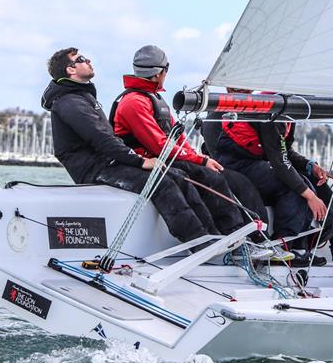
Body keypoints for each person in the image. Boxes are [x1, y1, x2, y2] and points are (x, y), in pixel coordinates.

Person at [110, 46, 283, 260]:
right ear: (159, 73)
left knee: (217, 177)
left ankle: (240, 240)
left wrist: (201, 160)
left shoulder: (153, 99)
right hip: (155, 162)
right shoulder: (133, 103)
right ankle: (215, 243)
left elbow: (178, 137)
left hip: (167, 160)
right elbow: (160, 145)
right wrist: (199, 159)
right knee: (203, 180)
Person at [41, 47, 218, 246]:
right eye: (81, 59)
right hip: (95, 170)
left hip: (109, 164)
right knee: (162, 182)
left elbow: (107, 139)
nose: (89, 60)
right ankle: (198, 242)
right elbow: (101, 139)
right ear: (70, 70)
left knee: (178, 175)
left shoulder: (82, 97)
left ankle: (211, 236)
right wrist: (140, 161)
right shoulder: (70, 102)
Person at [215, 89, 333, 266]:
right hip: (237, 164)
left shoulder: (289, 110)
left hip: (261, 162)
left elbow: (285, 151)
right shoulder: (270, 111)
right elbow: (279, 162)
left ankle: (324, 241)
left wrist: (309, 165)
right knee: (295, 188)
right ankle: (282, 246)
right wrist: (310, 196)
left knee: (313, 183)